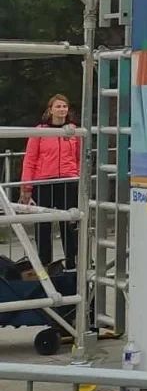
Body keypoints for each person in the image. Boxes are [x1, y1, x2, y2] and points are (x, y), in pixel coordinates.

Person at [20, 94, 81, 270]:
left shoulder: (74, 131)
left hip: (68, 180)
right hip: (44, 181)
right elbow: (30, 160)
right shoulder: (39, 131)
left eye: (64, 106)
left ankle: (72, 263)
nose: (62, 109)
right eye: (58, 106)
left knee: (69, 223)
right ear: (50, 110)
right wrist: (26, 187)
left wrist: (76, 175)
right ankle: (44, 263)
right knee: (43, 224)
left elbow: (79, 157)